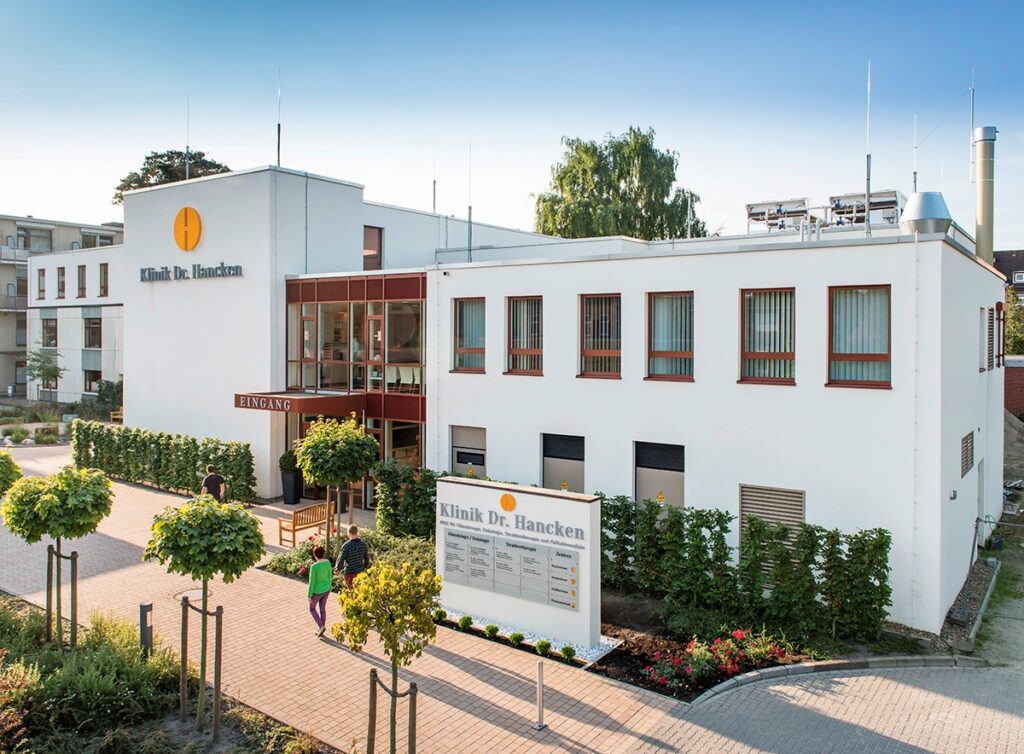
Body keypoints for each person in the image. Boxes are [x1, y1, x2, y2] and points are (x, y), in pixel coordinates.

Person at [307, 545, 332, 637]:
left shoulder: (314, 567)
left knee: (312, 609)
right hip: (326, 589)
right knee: (322, 609)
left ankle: (321, 626)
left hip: (317, 592)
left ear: (314, 555)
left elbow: (312, 582)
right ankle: (322, 627)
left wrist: (309, 595)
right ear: (323, 553)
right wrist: (330, 587)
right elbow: (330, 576)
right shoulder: (328, 563)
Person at [335, 524, 370, 589]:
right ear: (357, 532)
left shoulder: (346, 546)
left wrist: (338, 568)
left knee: (351, 591)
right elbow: (366, 558)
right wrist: (365, 567)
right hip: (360, 572)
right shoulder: (363, 544)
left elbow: (341, 558)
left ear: (348, 533)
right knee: (359, 590)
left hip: (350, 573)